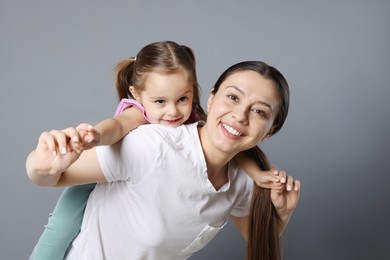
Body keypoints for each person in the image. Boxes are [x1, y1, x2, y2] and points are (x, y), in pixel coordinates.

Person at [28, 42, 284, 260]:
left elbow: (241, 158)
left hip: (114, 171)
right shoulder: (144, 132)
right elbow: (116, 127)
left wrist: (271, 193)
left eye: (259, 111)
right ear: (213, 97)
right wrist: (94, 137)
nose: (172, 111)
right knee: (61, 226)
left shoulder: (212, 136)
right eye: (233, 98)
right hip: (99, 171)